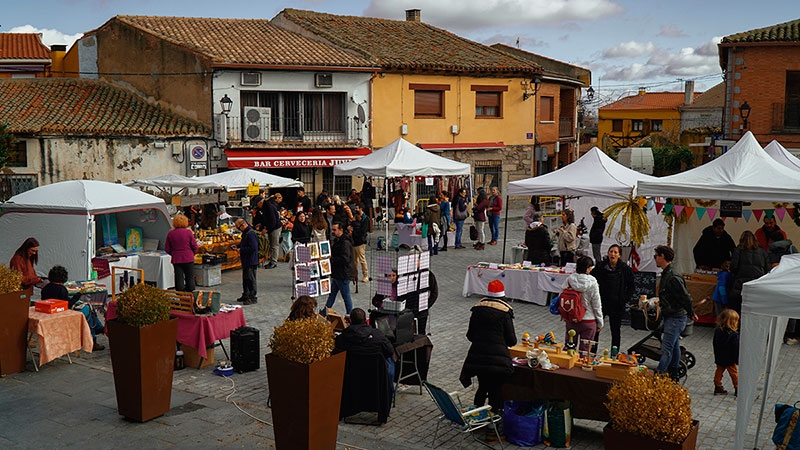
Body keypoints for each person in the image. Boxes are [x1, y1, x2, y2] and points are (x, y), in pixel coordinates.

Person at [459, 280, 516, 416]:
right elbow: (511, 340)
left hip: (478, 357)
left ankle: (476, 416)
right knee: (495, 391)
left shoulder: (477, 310)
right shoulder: (505, 312)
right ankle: (492, 423)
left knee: (482, 387)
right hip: (498, 361)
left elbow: (470, 335)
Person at [653, 245, 698, 381]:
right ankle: (674, 374)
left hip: (675, 317)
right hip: (672, 315)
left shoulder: (672, 276)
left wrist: (691, 312)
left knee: (667, 348)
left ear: (662, 257)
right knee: (674, 347)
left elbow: (685, 296)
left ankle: (660, 375)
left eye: (656, 256)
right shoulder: (667, 273)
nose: (654, 258)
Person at [41, 265, 105, 351]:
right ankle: (94, 337)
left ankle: (97, 328)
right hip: (62, 314)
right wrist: (78, 295)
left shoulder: (46, 288)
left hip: (50, 313)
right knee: (89, 308)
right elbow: (68, 305)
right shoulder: (61, 289)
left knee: (88, 308)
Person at [334, 307, 395, 393]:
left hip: (352, 374)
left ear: (350, 321)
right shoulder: (377, 335)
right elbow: (390, 351)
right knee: (389, 359)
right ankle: (390, 392)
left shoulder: (342, 338)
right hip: (375, 372)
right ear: (365, 320)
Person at [590, 244, 633, 351]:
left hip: (617, 304)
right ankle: (593, 352)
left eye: (615, 252)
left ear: (619, 255)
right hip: (601, 303)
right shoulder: (600, 266)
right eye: (611, 251)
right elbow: (590, 279)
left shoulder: (625, 269)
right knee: (596, 328)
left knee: (615, 331)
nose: (612, 254)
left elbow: (631, 286)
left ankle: (614, 353)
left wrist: (624, 299)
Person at [563, 256, 603, 352]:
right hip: (589, 321)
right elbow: (596, 304)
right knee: (585, 352)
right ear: (588, 268)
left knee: (569, 348)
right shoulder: (592, 282)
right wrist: (600, 322)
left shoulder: (569, 280)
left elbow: (562, 297)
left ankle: (567, 365)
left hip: (572, 319)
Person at [729, 230, 771, 314]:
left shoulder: (739, 250)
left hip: (740, 285)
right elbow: (768, 270)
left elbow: (733, 267)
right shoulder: (763, 252)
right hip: (757, 285)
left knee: (738, 310)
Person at [323, 222, 354, 315]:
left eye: (334, 230)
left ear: (341, 230)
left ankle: (350, 314)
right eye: (332, 229)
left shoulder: (345, 242)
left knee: (346, 296)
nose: (332, 231)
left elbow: (345, 259)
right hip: (337, 273)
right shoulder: (338, 240)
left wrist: (331, 259)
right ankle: (324, 312)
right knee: (332, 295)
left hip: (343, 274)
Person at [165, 214, 198, 292]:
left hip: (177, 258)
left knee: (178, 278)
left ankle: (180, 296)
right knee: (189, 277)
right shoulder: (188, 233)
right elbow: (194, 246)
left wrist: (173, 253)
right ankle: (191, 295)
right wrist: (192, 253)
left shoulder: (171, 233)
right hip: (188, 257)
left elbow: (167, 248)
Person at [712, 308, 740, 396]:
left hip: (720, 356)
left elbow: (714, 343)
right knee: (734, 373)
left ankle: (718, 386)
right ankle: (737, 388)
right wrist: (737, 359)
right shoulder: (734, 335)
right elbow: (735, 348)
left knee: (719, 371)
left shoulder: (717, 331)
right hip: (730, 358)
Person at [234, 218, 259, 305]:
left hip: (251, 260)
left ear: (243, 225)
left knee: (251, 279)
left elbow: (253, 248)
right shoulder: (245, 233)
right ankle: (246, 294)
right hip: (246, 260)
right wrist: (238, 246)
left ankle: (252, 297)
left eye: (238, 227)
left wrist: (241, 250)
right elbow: (244, 243)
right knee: (245, 279)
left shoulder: (251, 234)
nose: (238, 229)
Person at [351, 203, 369, 283]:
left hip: (360, 242)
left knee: (362, 259)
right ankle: (355, 275)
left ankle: (365, 275)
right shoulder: (355, 217)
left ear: (361, 209)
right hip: (354, 241)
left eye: (357, 208)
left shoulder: (365, 219)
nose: (355, 209)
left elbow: (363, 231)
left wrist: (354, 232)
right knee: (354, 260)